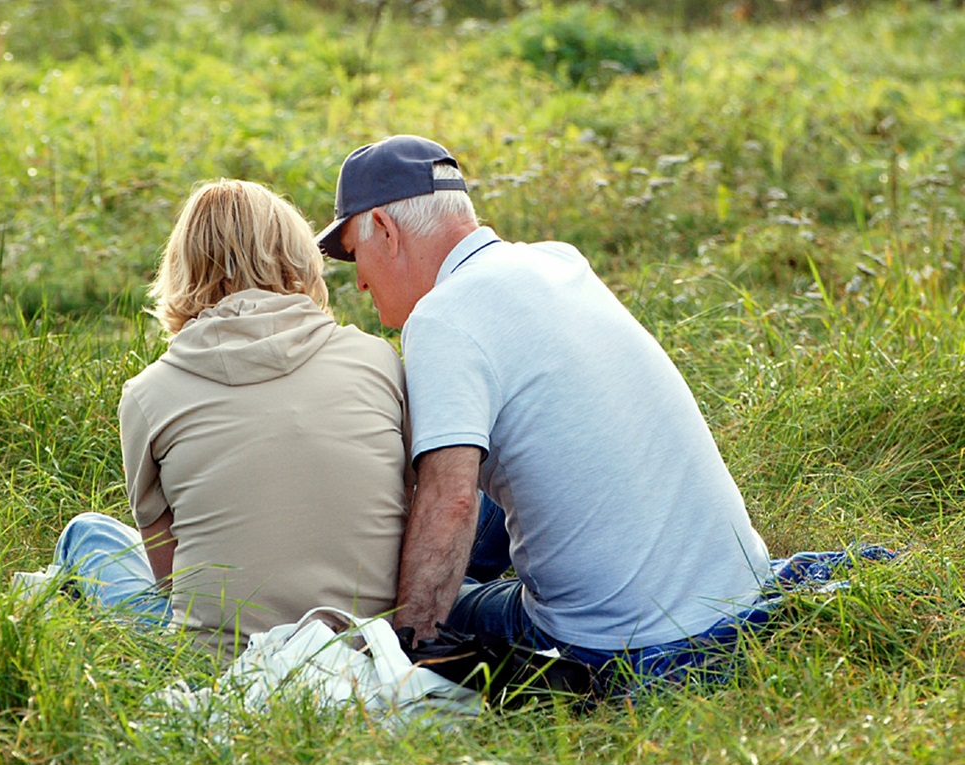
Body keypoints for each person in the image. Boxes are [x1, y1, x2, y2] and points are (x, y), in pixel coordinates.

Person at [316, 135, 775, 697]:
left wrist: (401, 653)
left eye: (353, 254)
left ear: (385, 232)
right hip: (742, 603)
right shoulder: (558, 260)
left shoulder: (441, 317)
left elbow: (452, 500)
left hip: (627, 649)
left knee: (432, 607)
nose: (358, 280)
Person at [50, 179, 410, 661]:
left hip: (222, 670)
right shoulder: (377, 360)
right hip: (370, 649)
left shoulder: (148, 395)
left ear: (181, 268)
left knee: (87, 537)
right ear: (300, 256)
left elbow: (172, 581)